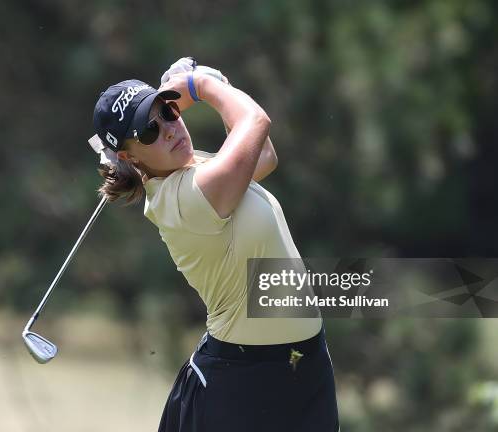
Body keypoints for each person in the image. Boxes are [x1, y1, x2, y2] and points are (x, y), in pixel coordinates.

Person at [89, 58, 339, 432]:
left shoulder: (193, 170)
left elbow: (263, 154)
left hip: (305, 367)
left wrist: (220, 83)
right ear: (129, 156)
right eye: (149, 131)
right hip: (243, 385)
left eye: (169, 111)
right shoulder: (181, 201)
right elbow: (255, 123)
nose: (170, 130)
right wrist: (201, 87)